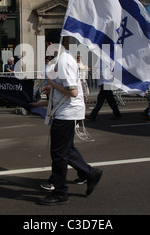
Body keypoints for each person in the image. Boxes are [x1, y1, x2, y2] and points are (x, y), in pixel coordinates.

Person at [38, 30, 102, 205]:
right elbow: (67, 87)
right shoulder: (64, 59)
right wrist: (51, 89)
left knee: (58, 154)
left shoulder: (64, 61)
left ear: (51, 45)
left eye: (47, 46)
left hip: (67, 112)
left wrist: (50, 83)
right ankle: (90, 174)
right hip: (66, 111)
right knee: (67, 150)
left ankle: (60, 192)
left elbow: (72, 92)